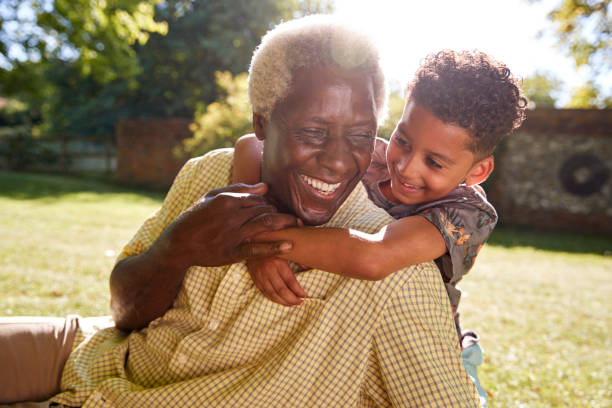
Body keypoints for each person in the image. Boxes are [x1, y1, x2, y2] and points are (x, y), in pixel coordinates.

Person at [0, 16, 480, 407]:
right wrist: (176, 250)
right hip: (98, 355)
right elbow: (123, 313)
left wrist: (264, 243)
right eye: (313, 132)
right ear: (263, 124)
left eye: (359, 136)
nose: (338, 159)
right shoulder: (210, 174)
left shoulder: (395, 276)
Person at [232, 49, 527, 407]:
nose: (406, 166)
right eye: (403, 140)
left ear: (477, 171)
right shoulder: (368, 157)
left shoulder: (466, 214)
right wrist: (253, 221)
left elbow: (374, 256)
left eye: (434, 162)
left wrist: (263, 244)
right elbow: (250, 146)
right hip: (349, 327)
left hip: (423, 347)